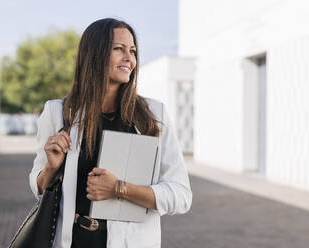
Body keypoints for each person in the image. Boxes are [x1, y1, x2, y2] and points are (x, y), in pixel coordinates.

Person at [29, 18, 192, 248]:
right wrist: (51, 167)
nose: (130, 58)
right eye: (119, 49)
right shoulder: (58, 113)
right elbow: (39, 188)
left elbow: (181, 196)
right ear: (94, 54)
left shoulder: (154, 115)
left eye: (133, 51)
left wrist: (119, 189)